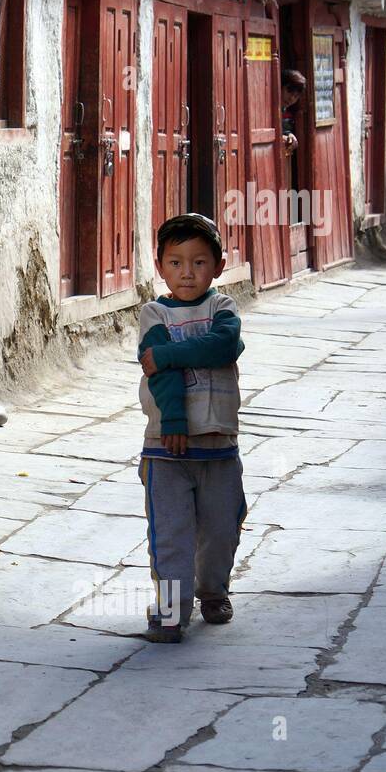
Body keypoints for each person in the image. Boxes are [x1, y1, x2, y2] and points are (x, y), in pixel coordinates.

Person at [137, 213, 247, 643]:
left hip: (219, 446)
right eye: (176, 262)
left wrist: (168, 355)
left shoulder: (223, 308)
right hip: (167, 447)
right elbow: (157, 372)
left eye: (199, 262)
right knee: (171, 534)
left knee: (222, 527)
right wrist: (176, 420)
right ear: (160, 265)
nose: (187, 272)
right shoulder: (154, 312)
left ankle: (213, 589)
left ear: (218, 266)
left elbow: (224, 345)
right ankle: (169, 613)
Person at [281, 69, 306, 158]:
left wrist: (289, 134)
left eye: (296, 96)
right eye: (289, 91)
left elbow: (283, 129)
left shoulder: (286, 112)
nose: (291, 98)